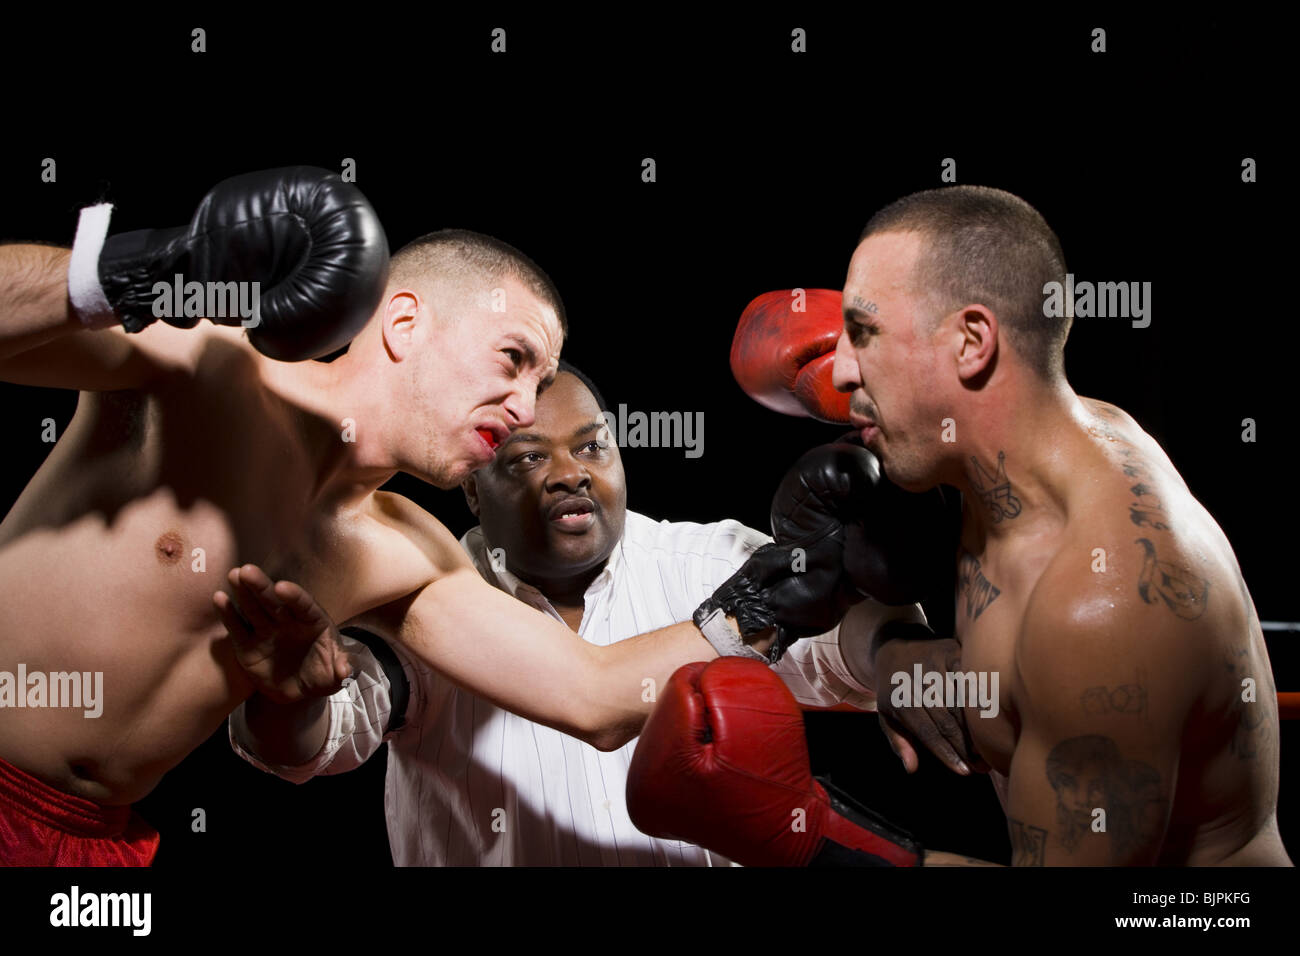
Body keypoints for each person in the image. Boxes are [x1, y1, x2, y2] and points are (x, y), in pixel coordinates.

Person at [0, 166, 782, 865]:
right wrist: (139, 267)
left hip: (97, 842)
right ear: (403, 324)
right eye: (513, 359)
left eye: (539, 383)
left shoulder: (400, 551)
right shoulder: (203, 363)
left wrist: (784, 593)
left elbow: (595, 696)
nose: (523, 407)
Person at [628, 185, 1293, 866]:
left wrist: (810, 835)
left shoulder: (1099, 606)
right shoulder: (1025, 451)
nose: (840, 367)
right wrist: (901, 654)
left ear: (972, 342)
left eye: (863, 332)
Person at [229, 362, 914, 865]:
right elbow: (321, 737)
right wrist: (290, 699)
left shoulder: (706, 561)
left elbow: (836, 635)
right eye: (529, 457)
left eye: (592, 446)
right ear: (473, 489)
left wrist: (900, 651)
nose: (569, 473)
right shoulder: (429, 591)